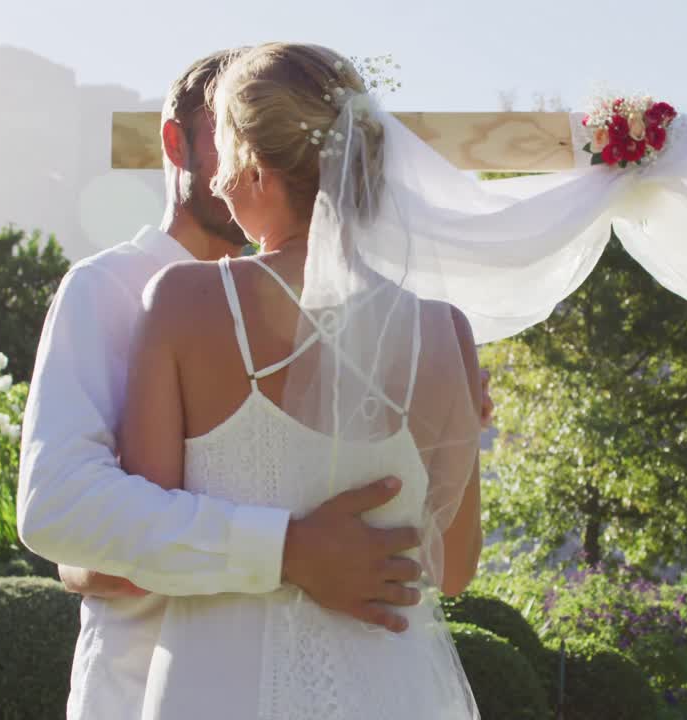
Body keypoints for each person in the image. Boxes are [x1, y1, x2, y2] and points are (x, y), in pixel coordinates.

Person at [16, 48, 446, 720]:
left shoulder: (364, 313)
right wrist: (287, 550)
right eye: (231, 130)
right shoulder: (106, 289)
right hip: (152, 688)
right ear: (176, 142)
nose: (250, 153)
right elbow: (59, 506)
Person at [122, 42, 483, 718]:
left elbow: (142, 544)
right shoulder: (446, 332)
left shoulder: (183, 302)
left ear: (256, 169)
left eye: (226, 151)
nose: (221, 178)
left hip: (220, 685)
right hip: (389, 690)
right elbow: (454, 570)